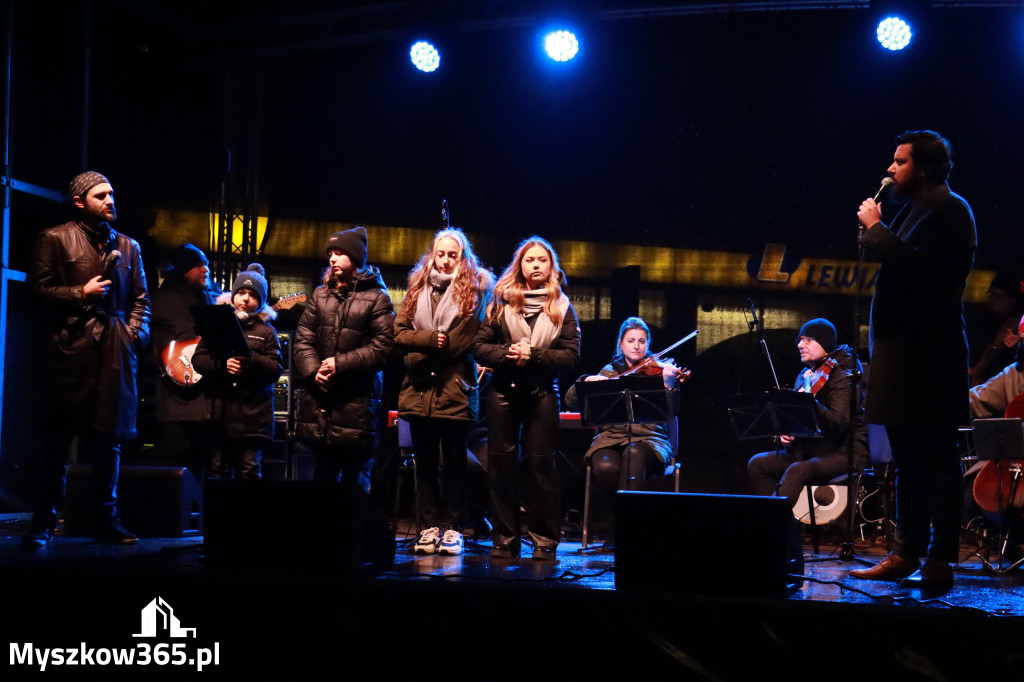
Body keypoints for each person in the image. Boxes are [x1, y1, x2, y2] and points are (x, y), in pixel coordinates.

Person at [850, 130, 977, 589]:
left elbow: (918, 269)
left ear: (923, 167)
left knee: (938, 461)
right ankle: (906, 553)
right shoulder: (915, 212)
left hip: (929, 357)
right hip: (903, 355)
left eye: (899, 162)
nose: (890, 169)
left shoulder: (950, 209)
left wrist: (877, 229)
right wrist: (877, 231)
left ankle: (940, 561)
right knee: (907, 461)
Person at [23, 171, 150, 546]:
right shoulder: (55, 238)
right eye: (101, 195)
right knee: (58, 442)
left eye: (112, 194)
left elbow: (141, 300)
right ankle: (43, 523)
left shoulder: (129, 247)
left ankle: (105, 521)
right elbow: (36, 290)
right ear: (80, 201)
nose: (111, 200)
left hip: (114, 349)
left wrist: (133, 336)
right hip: (71, 349)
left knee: (109, 441)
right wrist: (81, 292)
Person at [473, 236, 580, 560]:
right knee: (501, 466)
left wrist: (533, 355)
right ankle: (505, 537)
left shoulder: (563, 307)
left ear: (551, 267)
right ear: (520, 265)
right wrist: (509, 354)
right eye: (529, 259)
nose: (535, 264)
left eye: (542, 260)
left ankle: (544, 540)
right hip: (503, 392)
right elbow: (479, 347)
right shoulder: (500, 301)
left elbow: (571, 356)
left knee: (540, 467)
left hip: (542, 393)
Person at [394, 228, 494, 555]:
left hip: (455, 389)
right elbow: (400, 334)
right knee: (424, 464)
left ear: (462, 258)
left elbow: (463, 340)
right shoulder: (415, 288)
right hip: (419, 388)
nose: (447, 260)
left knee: (454, 464)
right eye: (442, 254)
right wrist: (427, 341)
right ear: (433, 255)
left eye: (453, 254)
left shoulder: (475, 291)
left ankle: (452, 528)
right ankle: (428, 528)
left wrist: (425, 346)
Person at [565, 316, 687, 548]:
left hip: (651, 440)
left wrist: (670, 385)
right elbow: (572, 400)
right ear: (621, 344)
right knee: (603, 465)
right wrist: (587, 380)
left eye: (642, 341)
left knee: (633, 454)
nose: (636, 345)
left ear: (647, 344)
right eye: (631, 340)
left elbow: (672, 412)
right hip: (610, 438)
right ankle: (626, 520)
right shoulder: (609, 373)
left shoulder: (660, 371)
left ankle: (620, 531)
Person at [293, 226, 395, 491]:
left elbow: (383, 347)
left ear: (356, 258)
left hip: (356, 406)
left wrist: (340, 364)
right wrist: (313, 369)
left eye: (339, 253)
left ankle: (353, 532)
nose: (332, 259)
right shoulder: (320, 295)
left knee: (355, 484)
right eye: (331, 253)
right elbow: (303, 338)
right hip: (321, 402)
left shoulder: (377, 299)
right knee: (322, 477)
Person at [747, 318, 868, 506]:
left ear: (825, 343)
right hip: (812, 450)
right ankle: (783, 524)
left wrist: (810, 401)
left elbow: (838, 424)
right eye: (799, 340)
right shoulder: (805, 376)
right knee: (757, 464)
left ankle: (771, 526)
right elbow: (801, 423)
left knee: (796, 471)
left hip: (844, 452)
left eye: (808, 339)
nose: (800, 345)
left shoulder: (843, 375)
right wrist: (789, 433)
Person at [191, 263, 283, 480]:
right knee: (217, 471)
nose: (245, 298)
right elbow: (198, 360)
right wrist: (223, 365)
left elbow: (276, 369)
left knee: (249, 473)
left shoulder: (267, 332)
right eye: (241, 292)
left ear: (260, 301)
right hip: (219, 419)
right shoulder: (216, 324)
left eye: (252, 294)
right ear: (232, 295)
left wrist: (250, 360)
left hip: (253, 421)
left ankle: (244, 515)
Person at [150, 243, 219, 478]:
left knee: (202, 467)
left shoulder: (209, 299)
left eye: (207, 264)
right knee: (177, 467)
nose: (206, 269)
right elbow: (160, 349)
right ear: (183, 270)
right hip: (176, 398)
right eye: (198, 265)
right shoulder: (164, 300)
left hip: (205, 401)